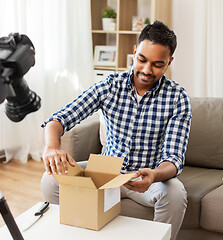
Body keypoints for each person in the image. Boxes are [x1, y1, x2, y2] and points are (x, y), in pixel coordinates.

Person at [40, 20, 191, 240]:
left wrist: (155, 174)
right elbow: (59, 119)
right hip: (105, 174)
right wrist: (52, 147)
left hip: (145, 178)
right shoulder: (110, 85)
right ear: (134, 51)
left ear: (169, 62)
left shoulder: (178, 98)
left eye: (157, 64)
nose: (147, 70)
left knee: (176, 195)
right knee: (50, 179)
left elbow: (173, 159)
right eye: (142, 59)